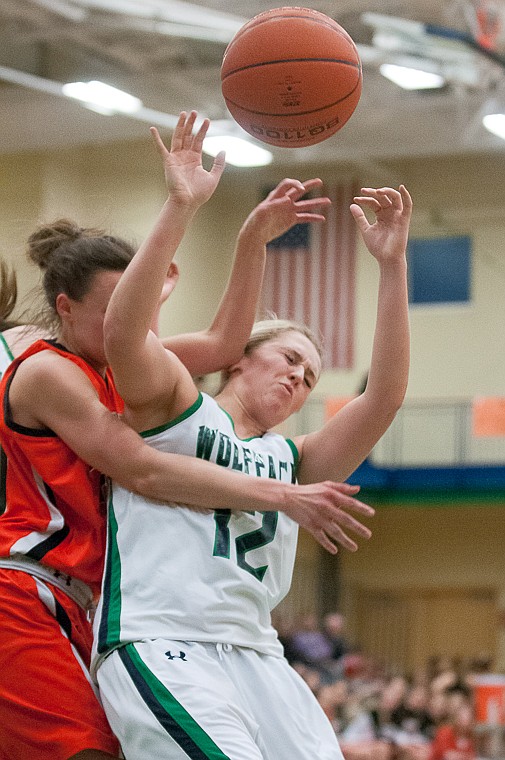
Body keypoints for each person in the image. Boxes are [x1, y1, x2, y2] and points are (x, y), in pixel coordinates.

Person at [0, 115, 374, 760]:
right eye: (116, 308)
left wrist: (252, 239)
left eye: (138, 306)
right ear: (66, 308)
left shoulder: (114, 363)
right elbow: (145, 471)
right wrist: (281, 496)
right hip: (24, 585)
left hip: (83, 594)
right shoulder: (50, 374)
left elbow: (229, 343)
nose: (132, 321)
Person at [92, 111, 412, 758]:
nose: (300, 375)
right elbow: (123, 336)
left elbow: (382, 397)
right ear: (240, 357)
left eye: (311, 374)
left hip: (259, 656)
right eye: (289, 358)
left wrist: (392, 266)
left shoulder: (293, 460)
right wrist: (183, 206)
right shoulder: (178, 409)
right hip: (164, 639)